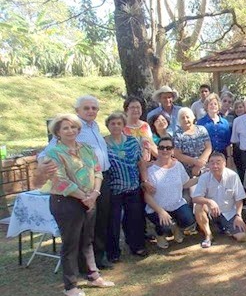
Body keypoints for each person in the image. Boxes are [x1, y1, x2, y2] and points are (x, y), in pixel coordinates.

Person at [45, 113, 114, 296]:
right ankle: (70, 285)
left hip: (91, 198)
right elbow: (60, 180)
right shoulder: (52, 153)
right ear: (57, 132)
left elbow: (98, 171)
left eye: (73, 127)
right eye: (65, 128)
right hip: (66, 202)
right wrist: (84, 196)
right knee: (70, 243)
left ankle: (93, 276)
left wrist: (94, 194)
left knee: (87, 239)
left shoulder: (86, 148)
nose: (70, 131)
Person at [39, 95, 113, 270]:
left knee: (101, 220)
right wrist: (43, 166)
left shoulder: (94, 126)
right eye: (86, 108)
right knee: (81, 229)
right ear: (77, 110)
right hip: (78, 187)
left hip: (100, 179)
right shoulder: (71, 127)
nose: (91, 111)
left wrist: (96, 190)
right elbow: (45, 155)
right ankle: (83, 265)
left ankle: (97, 259)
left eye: (94, 108)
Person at [103, 112, 149, 261]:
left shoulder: (132, 141)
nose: (116, 126)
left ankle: (137, 246)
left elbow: (141, 162)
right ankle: (113, 252)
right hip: (113, 189)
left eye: (119, 123)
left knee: (134, 219)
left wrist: (145, 180)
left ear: (123, 126)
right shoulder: (103, 143)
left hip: (133, 186)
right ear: (108, 126)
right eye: (113, 124)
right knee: (113, 221)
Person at [143, 137, 198, 249]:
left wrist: (201, 178)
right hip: (157, 208)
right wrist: (161, 211)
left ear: (173, 150)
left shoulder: (178, 165)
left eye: (168, 148)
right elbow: (147, 196)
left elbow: (185, 183)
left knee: (189, 220)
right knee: (165, 226)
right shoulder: (150, 170)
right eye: (162, 147)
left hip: (176, 204)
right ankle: (160, 234)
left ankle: (176, 227)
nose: (165, 150)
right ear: (157, 149)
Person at [193, 152, 246, 247]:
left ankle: (225, 228)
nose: (215, 166)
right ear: (208, 164)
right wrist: (209, 202)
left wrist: (238, 216)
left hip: (229, 212)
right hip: (211, 211)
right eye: (212, 162)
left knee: (241, 236)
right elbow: (195, 198)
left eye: (218, 162)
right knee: (198, 206)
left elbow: (239, 198)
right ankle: (208, 235)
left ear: (224, 163)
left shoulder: (233, 176)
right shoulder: (204, 177)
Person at [173, 107, 212, 204]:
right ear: (179, 120)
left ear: (193, 117)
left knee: (210, 191)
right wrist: (195, 162)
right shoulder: (178, 134)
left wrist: (199, 165)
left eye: (188, 117)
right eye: (182, 118)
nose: (186, 119)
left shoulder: (201, 129)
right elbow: (177, 154)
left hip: (203, 166)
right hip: (186, 171)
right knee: (191, 196)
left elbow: (208, 147)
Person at [197, 93, 232, 158]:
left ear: (219, 106)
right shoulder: (200, 123)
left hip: (223, 155)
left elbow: (228, 143)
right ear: (206, 106)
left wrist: (230, 157)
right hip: (206, 156)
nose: (213, 106)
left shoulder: (225, 123)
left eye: (215, 104)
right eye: (211, 104)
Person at [123, 95, 155, 160]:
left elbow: (151, 145)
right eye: (132, 107)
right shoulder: (121, 126)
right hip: (129, 162)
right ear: (126, 110)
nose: (135, 110)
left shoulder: (145, 125)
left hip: (146, 163)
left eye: (138, 107)